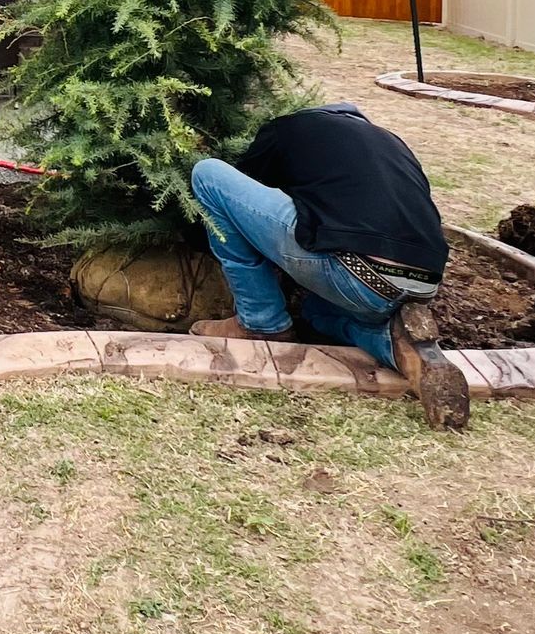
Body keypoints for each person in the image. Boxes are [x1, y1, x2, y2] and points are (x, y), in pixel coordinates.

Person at [189, 102, 468, 429]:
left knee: (209, 176)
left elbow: (239, 205)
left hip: (353, 269)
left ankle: (260, 322)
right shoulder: (393, 143)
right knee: (315, 313)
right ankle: (395, 341)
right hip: (422, 281)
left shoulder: (289, 128)